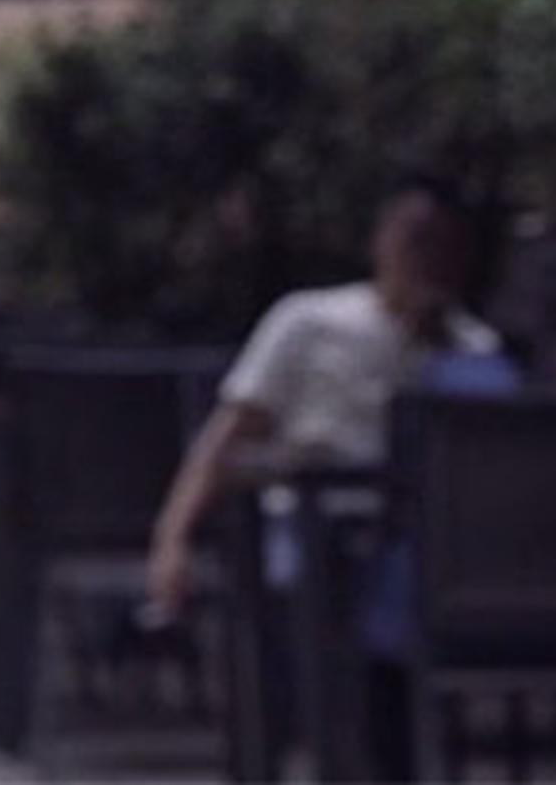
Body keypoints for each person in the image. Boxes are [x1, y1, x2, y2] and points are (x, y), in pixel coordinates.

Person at [144, 178, 500, 619]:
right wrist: (173, 540)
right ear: (382, 241)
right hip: (311, 522)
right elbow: (224, 440)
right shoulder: (308, 320)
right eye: (415, 239)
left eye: (441, 243)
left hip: (423, 537)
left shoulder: (475, 353)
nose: (426, 255)